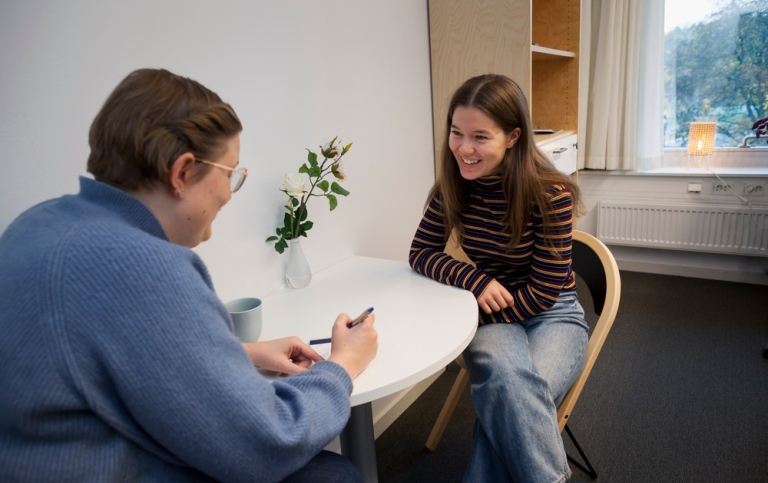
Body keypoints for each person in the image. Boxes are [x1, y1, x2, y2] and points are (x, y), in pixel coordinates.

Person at [0, 68, 377, 482]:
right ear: (181, 172)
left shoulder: (36, 225)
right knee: (332, 475)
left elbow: (109, 358)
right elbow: (269, 442)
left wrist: (242, 353)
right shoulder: (141, 265)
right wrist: (342, 364)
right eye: (231, 174)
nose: (229, 195)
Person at [409, 73, 588, 483]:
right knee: (514, 392)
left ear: (512, 137)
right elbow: (420, 253)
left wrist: (486, 306)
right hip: (488, 308)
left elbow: (544, 292)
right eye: (457, 133)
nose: (464, 149)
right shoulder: (452, 187)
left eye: (480, 137)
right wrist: (476, 281)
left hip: (552, 313)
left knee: (511, 395)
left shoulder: (551, 194)